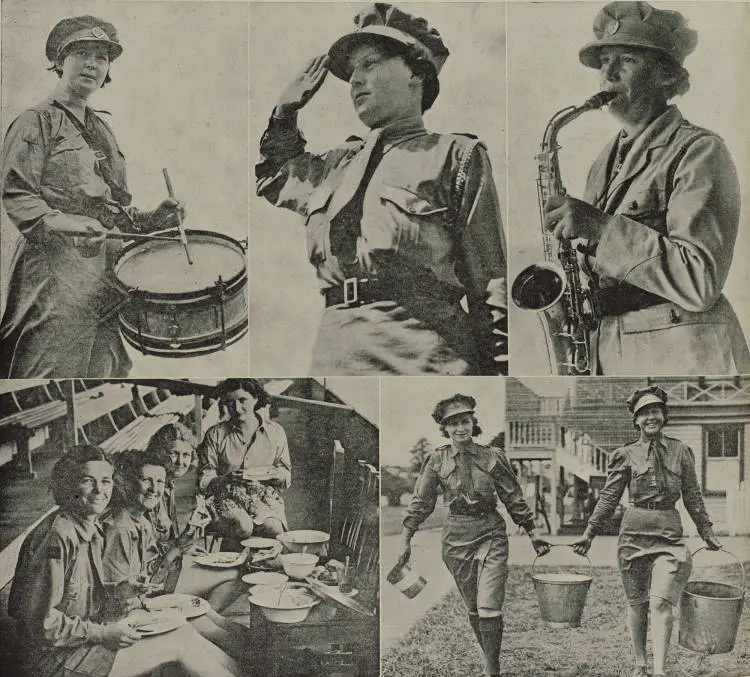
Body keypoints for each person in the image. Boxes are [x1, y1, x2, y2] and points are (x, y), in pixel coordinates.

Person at [256, 3, 507, 375]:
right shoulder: (337, 163)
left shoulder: (454, 155)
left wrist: (498, 371)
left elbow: (490, 284)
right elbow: (275, 179)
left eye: (369, 64)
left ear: (416, 73)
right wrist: (284, 114)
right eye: (352, 71)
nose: (355, 80)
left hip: (426, 354)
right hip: (336, 352)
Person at [542, 1, 750, 374]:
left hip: (682, 353)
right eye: (604, 61)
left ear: (666, 76)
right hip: (611, 349)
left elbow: (699, 281)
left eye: (627, 60)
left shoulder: (701, 151)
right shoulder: (603, 161)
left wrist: (601, 229)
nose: (608, 74)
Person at [0, 15, 184, 378]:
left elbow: (112, 208)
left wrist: (154, 219)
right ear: (59, 62)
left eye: (101, 57)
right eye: (81, 53)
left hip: (104, 274)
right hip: (55, 269)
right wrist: (68, 224)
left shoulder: (101, 129)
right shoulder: (36, 121)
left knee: (106, 369)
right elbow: (18, 194)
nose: (92, 64)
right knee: (49, 369)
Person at [8, 445, 241, 677]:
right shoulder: (58, 536)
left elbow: (82, 599)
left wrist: (120, 591)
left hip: (82, 638)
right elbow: (41, 624)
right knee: (179, 643)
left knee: (183, 631)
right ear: (67, 484)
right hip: (54, 659)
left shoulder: (90, 526)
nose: (100, 490)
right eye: (88, 481)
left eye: (106, 481)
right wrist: (103, 633)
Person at [396, 394, 551, 677]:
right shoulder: (436, 460)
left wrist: (533, 532)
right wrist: (405, 540)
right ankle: (491, 662)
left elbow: (513, 496)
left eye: (465, 421)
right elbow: (420, 503)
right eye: (453, 424)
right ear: (445, 428)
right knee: (474, 607)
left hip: (491, 531)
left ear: (473, 423)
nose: (460, 428)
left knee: (489, 603)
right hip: (455, 537)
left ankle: (493, 674)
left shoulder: (493, 456)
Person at [572, 386, 722, 677]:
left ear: (664, 417)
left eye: (655, 411)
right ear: (636, 421)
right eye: (644, 413)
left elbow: (692, 495)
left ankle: (660, 670)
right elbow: (609, 497)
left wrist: (707, 531)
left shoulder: (681, 451)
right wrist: (589, 532)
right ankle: (640, 664)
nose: (650, 417)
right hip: (633, 535)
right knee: (637, 602)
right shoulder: (624, 455)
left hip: (669, 535)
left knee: (660, 601)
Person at [102, 450, 259, 671]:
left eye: (159, 482)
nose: (155, 489)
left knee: (214, 619)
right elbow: (121, 601)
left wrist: (185, 539)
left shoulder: (141, 520)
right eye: (146, 479)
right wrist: (170, 608)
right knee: (206, 625)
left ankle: (266, 660)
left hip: (151, 599)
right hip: (131, 617)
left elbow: (152, 572)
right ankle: (258, 670)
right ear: (126, 482)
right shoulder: (121, 529)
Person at [197, 378, 291, 549]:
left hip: (262, 496)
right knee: (243, 526)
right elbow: (203, 480)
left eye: (243, 400)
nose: (237, 408)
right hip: (224, 496)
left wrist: (270, 474)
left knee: (274, 527)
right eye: (230, 403)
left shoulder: (275, 432)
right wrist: (226, 478)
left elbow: (286, 476)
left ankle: (264, 566)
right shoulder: (215, 434)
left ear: (255, 399)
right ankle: (231, 565)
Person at [144, 421, 198, 547]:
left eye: (186, 455)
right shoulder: (153, 491)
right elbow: (150, 548)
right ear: (159, 453)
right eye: (173, 454)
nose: (180, 462)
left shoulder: (168, 484)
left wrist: (184, 548)